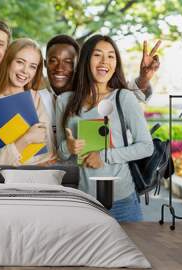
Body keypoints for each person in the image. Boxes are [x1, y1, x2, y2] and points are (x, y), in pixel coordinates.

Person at [55, 35, 154, 222]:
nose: (104, 61)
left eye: (111, 56)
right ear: (85, 60)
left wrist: (104, 156)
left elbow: (146, 146)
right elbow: (61, 154)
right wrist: (68, 147)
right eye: (97, 55)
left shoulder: (123, 98)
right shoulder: (65, 101)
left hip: (122, 203)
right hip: (84, 202)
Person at [39, 34, 161, 130]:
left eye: (68, 62)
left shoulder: (96, 89)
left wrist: (144, 78)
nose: (60, 68)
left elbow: (129, 93)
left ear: (79, 64)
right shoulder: (37, 96)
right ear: (45, 64)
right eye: (53, 61)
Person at [0, 38, 57, 166]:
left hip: (46, 178)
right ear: (8, 61)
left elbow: (49, 154)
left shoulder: (36, 97)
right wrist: (26, 139)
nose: (25, 71)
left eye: (32, 66)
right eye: (20, 62)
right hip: (10, 180)